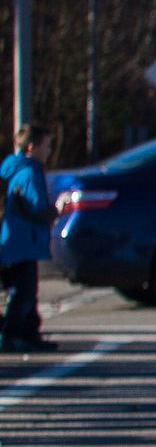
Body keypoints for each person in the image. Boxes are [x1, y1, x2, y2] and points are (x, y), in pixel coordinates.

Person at [2, 122, 54, 352]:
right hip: (23, 243)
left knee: (26, 293)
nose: (49, 151)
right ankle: (13, 335)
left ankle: (29, 333)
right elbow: (38, 209)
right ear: (32, 147)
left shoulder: (16, 170)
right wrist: (59, 208)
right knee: (24, 293)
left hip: (17, 243)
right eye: (47, 146)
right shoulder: (29, 173)